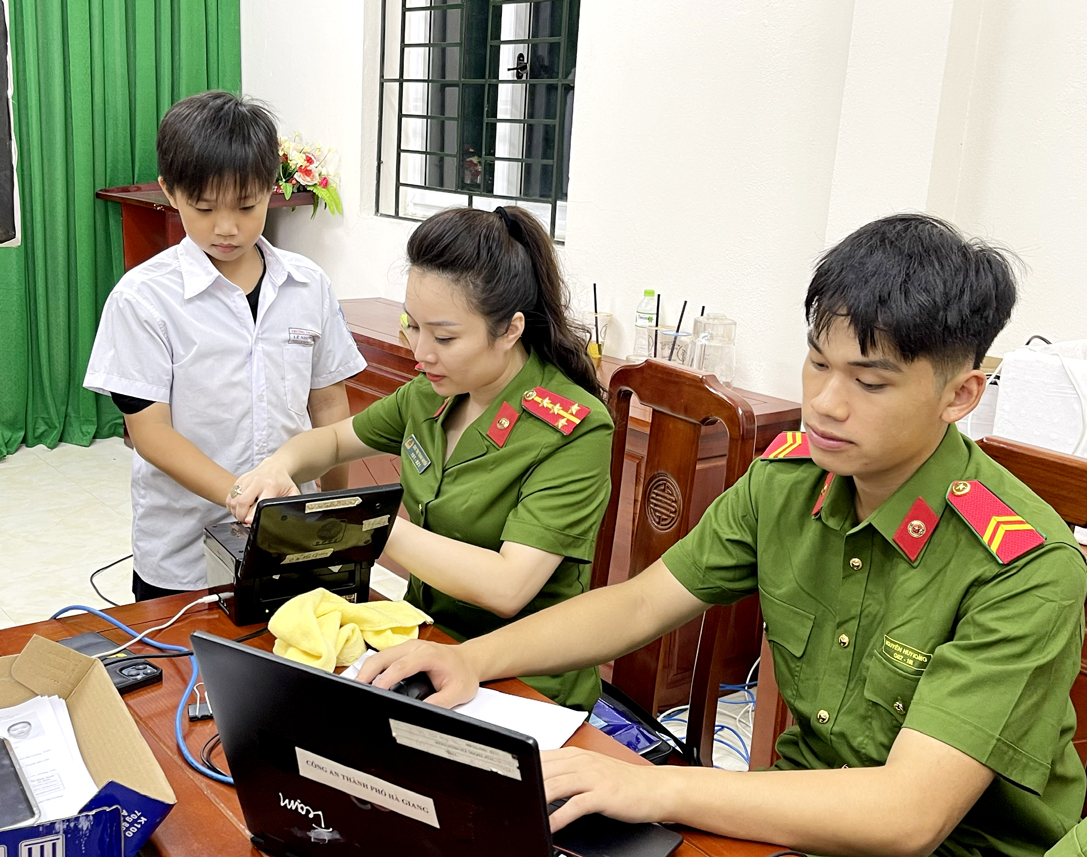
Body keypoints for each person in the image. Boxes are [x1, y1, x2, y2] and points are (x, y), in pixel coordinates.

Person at [356, 214, 1087, 857]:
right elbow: (638, 606)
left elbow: (909, 815)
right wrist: (469, 661)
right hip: (792, 820)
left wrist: (655, 788)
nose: (826, 404)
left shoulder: (1024, 565)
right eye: (818, 363)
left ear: (960, 394)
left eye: (871, 383)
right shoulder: (791, 481)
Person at [228, 205, 614, 710]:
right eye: (413, 326)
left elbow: (508, 585)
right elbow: (333, 442)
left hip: (525, 683)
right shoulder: (433, 392)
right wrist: (276, 467)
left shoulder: (571, 428)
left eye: (445, 337)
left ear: (511, 330)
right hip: (426, 645)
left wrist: (362, 523)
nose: (420, 351)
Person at [84, 91, 366, 600]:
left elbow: (328, 407)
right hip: (182, 552)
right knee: (185, 675)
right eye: (205, 207)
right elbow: (151, 434)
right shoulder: (143, 299)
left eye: (246, 205)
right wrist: (243, 496)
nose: (227, 228)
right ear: (170, 192)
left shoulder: (309, 285)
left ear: (272, 191)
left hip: (292, 541)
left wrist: (338, 511)